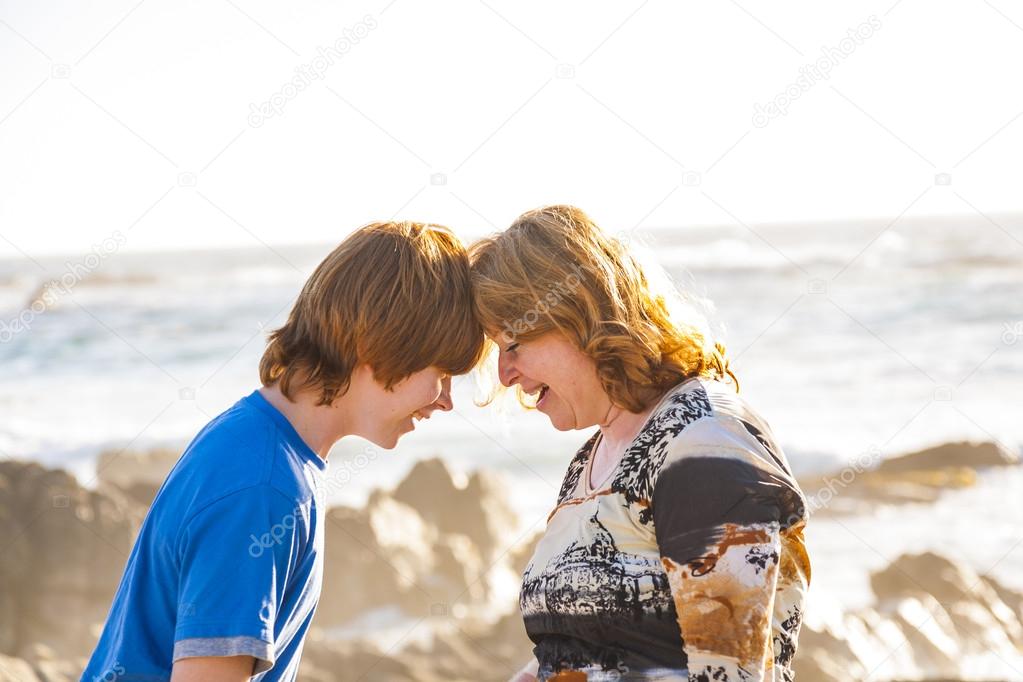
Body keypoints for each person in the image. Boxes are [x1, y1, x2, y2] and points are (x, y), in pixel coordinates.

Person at [81, 221, 486, 682]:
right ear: (381, 343)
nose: (446, 399)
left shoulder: (259, 445)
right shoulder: (264, 487)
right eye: (443, 372)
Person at [469, 205, 811, 682]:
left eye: (514, 345)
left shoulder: (703, 442)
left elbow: (730, 674)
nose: (505, 375)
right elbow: (579, 649)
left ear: (577, 316)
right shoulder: (593, 459)